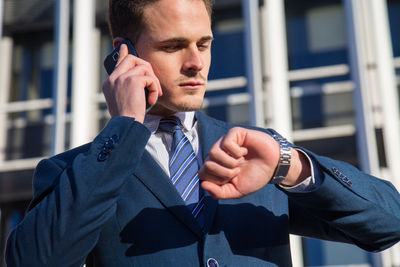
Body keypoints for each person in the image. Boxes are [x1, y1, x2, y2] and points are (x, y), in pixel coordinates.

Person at [5, 0, 400, 266]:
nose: (197, 63)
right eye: (174, 46)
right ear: (123, 54)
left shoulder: (255, 151)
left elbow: (389, 223)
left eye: (205, 44)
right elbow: (35, 259)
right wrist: (123, 126)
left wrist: (289, 164)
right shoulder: (74, 170)